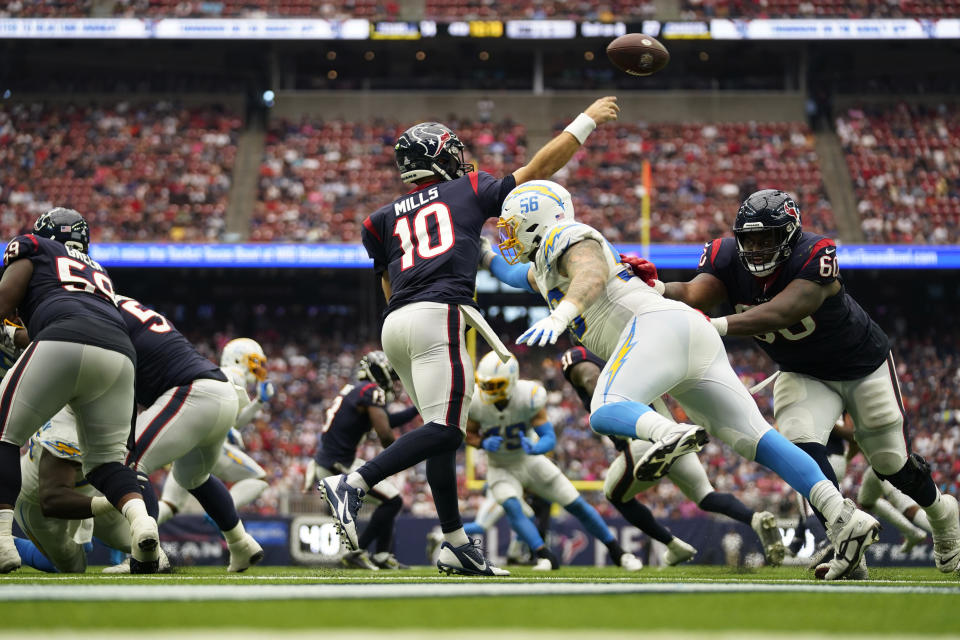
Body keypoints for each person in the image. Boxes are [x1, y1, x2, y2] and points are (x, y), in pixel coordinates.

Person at [481, 180, 879, 580]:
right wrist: (477, 253)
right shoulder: (545, 265)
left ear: (537, 219)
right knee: (756, 438)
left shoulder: (564, 235)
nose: (508, 235)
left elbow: (590, 271)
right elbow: (514, 273)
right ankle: (840, 513)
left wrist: (562, 314)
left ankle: (665, 433)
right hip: (687, 331)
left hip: (655, 327)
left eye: (513, 225)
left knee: (604, 407)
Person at [320, 96, 620, 577]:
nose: (461, 159)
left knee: (439, 434)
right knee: (448, 430)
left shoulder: (378, 220)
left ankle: (456, 543)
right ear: (438, 155)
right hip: (439, 313)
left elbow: (387, 280)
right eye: (451, 152)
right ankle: (355, 483)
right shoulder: (468, 189)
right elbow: (538, 168)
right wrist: (587, 121)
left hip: (395, 322)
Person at [639, 188, 959, 576]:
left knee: (891, 463)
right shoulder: (724, 256)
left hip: (862, 365)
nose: (756, 248)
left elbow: (783, 310)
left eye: (767, 238)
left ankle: (944, 517)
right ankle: (845, 542)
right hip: (803, 371)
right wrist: (658, 288)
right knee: (799, 451)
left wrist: (716, 327)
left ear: (789, 235)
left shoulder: (816, 252)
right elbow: (694, 293)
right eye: (749, 239)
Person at [0, 208, 159, 574]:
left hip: (63, 341)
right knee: (106, 463)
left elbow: (7, 300)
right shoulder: (97, 270)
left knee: (5, 434)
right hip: (119, 354)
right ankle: (141, 522)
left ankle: (4, 543)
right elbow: (69, 317)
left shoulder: (34, 247)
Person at [559, 346, 785, 567]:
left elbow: (590, 376)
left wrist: (601, 397)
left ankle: (673, 545)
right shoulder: (625, 346)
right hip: (674, 434)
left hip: (641, 439)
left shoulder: (579, 354)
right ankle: (755, 519)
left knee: (615, 496)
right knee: (705, 497)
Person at [109, 295, 263, 573]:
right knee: (194, 477)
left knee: (129, 464)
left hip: (193, 394)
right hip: (217, 396)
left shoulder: (100, 311)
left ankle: (147, 556)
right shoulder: (128, 310)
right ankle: (241, 544)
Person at [467, 351, 643, 572]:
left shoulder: (527, 395)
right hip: (500, 466)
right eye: (485, 385)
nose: (489, 391)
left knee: (576, 503)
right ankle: (546, 556)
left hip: (528, 459)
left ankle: (619, 553)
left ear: (512, 379)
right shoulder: (475, 401)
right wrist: (482, 442)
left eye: (495, 385)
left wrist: (536, 446)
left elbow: (548, 438)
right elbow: (468, 433)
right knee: (513, 507)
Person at [13, 407, 170, 573]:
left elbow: (134, 469)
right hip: (41, 503)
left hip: (90, 488)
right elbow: (52, 500)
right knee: (72, 567)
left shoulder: (116, 401)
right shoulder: (64, 428)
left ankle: (90, 535)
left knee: (144, 544)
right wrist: (113, 502)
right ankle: (11, 543)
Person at [304, 351, 419, 570]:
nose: (394, 381)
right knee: (392, 500)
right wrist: (402, 456)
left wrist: (415, 411)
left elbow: (388, 420)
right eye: (392, 375)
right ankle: (359, 552)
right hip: (337, 465)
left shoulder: (357, 390)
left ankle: (382, 555)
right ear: (379, 371)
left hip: (333, 461)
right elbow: (385, 435)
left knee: (391, 499)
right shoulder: (370, 390)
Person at [157, 337, 274, 524]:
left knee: (169, 505)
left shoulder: (220, 375)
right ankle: (221, 511)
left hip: (187, 445)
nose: (257, 367)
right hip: (209, 444)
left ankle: (133, 533)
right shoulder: (233, 374)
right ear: (238, 358)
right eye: (253, 361)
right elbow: (219, 411)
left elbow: (233, 420)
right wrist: (225, 428)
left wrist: (259, 402)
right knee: (258, 477)